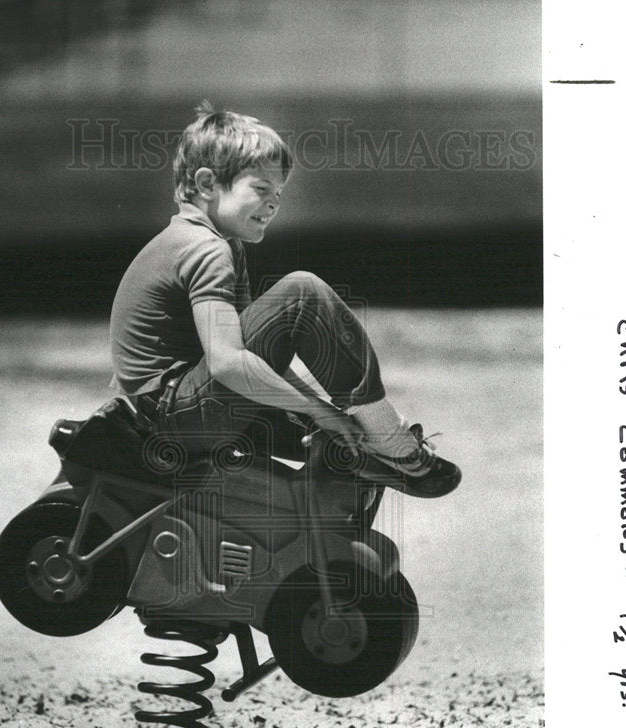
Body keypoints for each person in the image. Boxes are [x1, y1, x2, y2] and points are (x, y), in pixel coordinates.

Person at [109, 102, 460, 498]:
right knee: (301, 293)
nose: (275, 203)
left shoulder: (208, 243)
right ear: (207, 185)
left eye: (278, 192)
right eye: (261, 189)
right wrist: (316, 409)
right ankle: (388, 436)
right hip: (178, 417)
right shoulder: (205, 250)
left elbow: (250, 358)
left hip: (174, 411)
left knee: (335, 433)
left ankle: (366, 447)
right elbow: (228, 363)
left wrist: (315, 409)